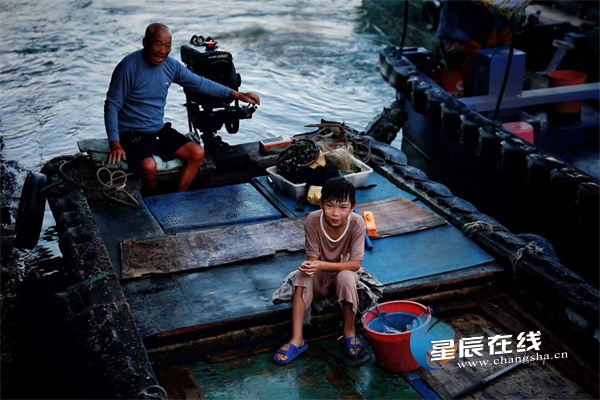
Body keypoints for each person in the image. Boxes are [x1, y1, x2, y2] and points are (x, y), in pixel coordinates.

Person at [104, 23, 260, 195]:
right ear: (145, 43)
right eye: (158, 44)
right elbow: (112, 105)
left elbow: (200, 84)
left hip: (157, 130)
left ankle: (176, 198)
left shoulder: (171, 66)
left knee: (197, 153)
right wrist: (115, 143)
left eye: (167, 45)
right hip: (132, 133)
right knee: (149, 166)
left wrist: (235, 94)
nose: (163, 51)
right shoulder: (128, 67)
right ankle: (153, 200)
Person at [273, 177, 367, 365]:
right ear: (321, 203)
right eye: (329, 205)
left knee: (347, 277)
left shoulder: (357, 223)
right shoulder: (313, 220)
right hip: (320, 274)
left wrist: (322, 265)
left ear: (352, 207)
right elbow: (313, 259)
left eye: (343, 207)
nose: (335, 213)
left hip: (343, 273)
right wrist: (310, 266)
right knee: (302, 274)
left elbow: (355, 264)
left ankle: (349, 332)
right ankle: (297, 339)